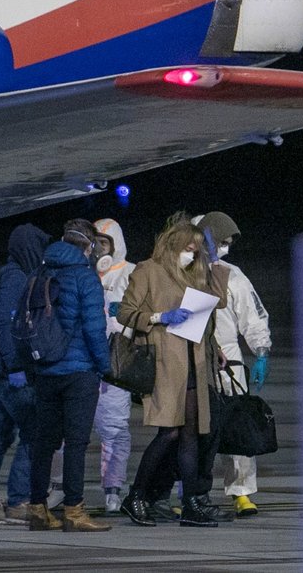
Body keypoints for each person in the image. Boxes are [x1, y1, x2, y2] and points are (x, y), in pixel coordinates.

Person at [117, 216, 230, 528]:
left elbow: (218, 301)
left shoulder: (195, 271)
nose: (192, 255)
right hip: (165, 364)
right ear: (174, 245)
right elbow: (126, 312)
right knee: (169, 433)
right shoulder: (148, 270)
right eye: (189, 249)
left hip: (194, 363)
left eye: (197, 250)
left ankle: (192, 501)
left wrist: (213, 261)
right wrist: (159, 316)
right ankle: (137, 495)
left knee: (191, 433)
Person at [28, 219, 113, 532]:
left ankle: (37, 508)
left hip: (46, 369)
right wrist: (105, 367)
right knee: (76, 443)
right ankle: (74, 512)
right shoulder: (85, 277)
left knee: (44, 443)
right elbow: (94, 329)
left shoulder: (41, 272)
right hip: (79, 372)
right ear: (87, 245)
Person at [0, 224, 50, 525]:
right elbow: (5, 325)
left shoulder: (8, 274)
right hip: (6, 371)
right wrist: (16, 367)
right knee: (33, 433)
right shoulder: (16, 278)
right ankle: (18, 501)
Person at [197, 211, 272, 518]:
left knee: (237, 429)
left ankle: (242, 492)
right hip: (195, 360)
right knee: (194, 430)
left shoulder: (232, 275)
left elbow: (252, 316)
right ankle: (190, 490)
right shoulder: (183, 272)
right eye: (222, 241)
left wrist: (262, 350)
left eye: (229, 242)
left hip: (230, 362)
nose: (226, 247)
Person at [92, 218, 137, 513]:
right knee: (66, 431)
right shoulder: (83, 272)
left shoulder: (131, 274)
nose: (98, 249)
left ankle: (112, 488)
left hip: (116, 364)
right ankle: (57, 486)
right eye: (94, 242)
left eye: (104, 243)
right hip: (85, 361)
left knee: (115, 428)